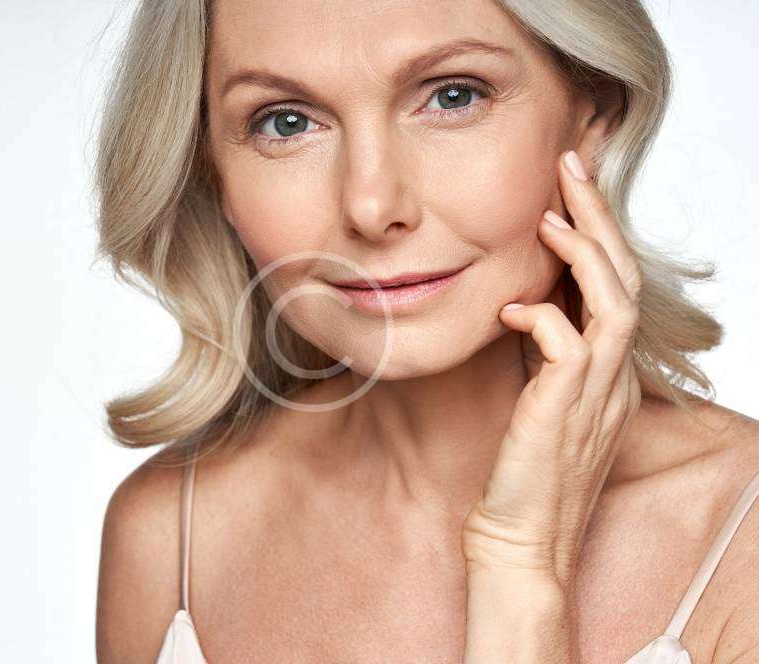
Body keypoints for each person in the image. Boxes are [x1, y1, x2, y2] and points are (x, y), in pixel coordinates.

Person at [94, 0, 759, 661]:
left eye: (452, 96)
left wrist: (521, 565)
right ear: (213, 169)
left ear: (593, 117)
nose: (371, 206)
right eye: (285, 122)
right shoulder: (170, 538)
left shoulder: (742, 534)